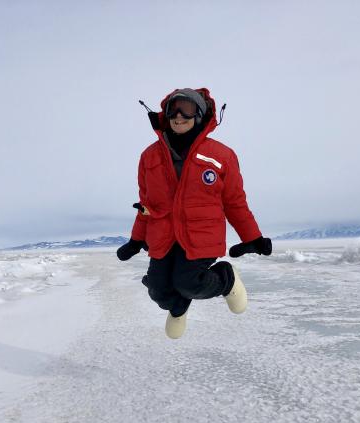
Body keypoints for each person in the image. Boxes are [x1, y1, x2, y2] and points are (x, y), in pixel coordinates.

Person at [117, 87, 272, 339]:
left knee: (189, 282)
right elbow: (146, 204)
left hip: (202, 235)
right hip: (163, 236)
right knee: (158, 290)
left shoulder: (222, 156)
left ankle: (226, 278)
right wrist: (136, 240)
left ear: (199, 114)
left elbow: (234, 202)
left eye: (187, 109)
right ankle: (178, 307)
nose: (179, 115)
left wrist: (251, 238)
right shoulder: (149, 156)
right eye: (173, 109)